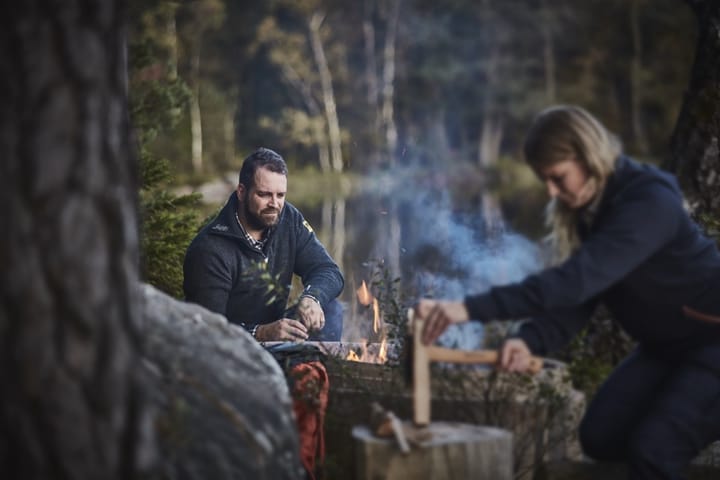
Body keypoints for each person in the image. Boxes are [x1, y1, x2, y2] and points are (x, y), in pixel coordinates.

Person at [416, 105, 720, 479]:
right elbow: (581, 297)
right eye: (545, 180)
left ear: (586, 155)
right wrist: (530, 340)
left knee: (654, 450)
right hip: (668, 349)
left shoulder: (649, 202)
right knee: (600, 437)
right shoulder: (595, 210)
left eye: (558, 178)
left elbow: (576, 280)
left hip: (713, 341)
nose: (551, 192)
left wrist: (469, 308)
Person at [183, 147, 344, 343]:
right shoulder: (210, 249)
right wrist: (260, 333)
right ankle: (300, 369)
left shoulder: (289, 220)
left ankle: (312, 370)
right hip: (233, 354)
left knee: (331, 308)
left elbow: (328, 270)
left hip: (278, 339)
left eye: (280, 195)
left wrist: (312, 298)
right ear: (242, 192)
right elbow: (208, 331)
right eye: (264, 194)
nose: (274, 204)